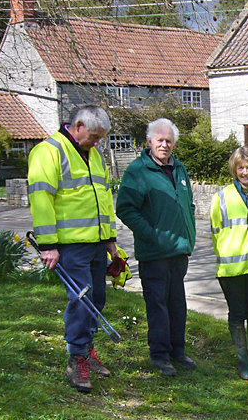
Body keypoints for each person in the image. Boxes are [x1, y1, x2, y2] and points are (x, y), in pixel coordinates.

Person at [28, 105, 116, 393]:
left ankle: (87, 350)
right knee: (81, 302)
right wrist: (48, 246)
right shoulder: (48, 152)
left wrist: (110, 240)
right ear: (77, 125)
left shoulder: (95, 155)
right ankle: (76, 359)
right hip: (70, 245)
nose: (97, 142)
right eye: (93, 136)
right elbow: (41, 200)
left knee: (97, 299)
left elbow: (104, 198)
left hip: (96, 243)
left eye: (100, 138)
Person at [116, 118, 197, 377]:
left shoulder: (180, 169)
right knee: (158, 305)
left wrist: (189, 234)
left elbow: (189, 205)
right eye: (160, 140)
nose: (165, 145)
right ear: (149, 141)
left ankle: (177, 351)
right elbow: (126, 209)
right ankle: (159, 355)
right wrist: (151, 235)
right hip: (154, 253)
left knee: (177, 304)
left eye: (169, 141)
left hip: (179, 250)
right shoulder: (138, 170)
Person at [210, 146, 248, 380]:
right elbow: (215, 230)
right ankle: (242, 361)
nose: (245, 172)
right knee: (237, 314)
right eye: (240, 167)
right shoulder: (222, 196)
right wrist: (227, 255)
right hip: (231, 267)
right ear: (234, 170)